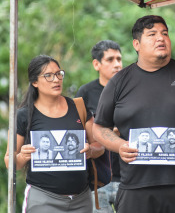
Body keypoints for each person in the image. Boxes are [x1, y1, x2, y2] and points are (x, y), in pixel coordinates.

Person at [93, 15, 175, 213]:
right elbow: (99, 127)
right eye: (152, 34)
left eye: (165, 33)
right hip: (135, 188)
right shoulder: (119, 82)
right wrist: (119, 145)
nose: (161, 38)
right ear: (136, 44)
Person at [4, 55, 104, 213]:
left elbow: (100, 146)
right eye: (48, 76)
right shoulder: (23, 116)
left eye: (59, 74)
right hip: (43, 200)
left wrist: (90, 151)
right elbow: (10, 161)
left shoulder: (79, 107)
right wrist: (23, 156)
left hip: (81, 200)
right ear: (35, 82)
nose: (56, 79)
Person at [75, 40, 122, 212]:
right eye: (110, 60)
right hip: (98, 180)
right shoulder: (85, 93)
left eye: (119, 59)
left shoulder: (132, 90)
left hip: (130, 177)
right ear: (96, 64)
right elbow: (78, 134)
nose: (117, 64)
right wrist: (107, 132)